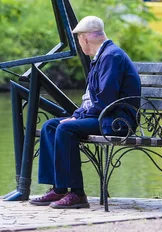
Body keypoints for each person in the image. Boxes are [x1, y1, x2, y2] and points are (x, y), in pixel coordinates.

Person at [29, 16, 141, 209]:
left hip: (117, 121)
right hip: (104, 116)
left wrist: (77, 118)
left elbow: (106, 100)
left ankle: (78, 194)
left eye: (79, 40)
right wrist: (77, 115)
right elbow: (93, 100)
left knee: (66, 129)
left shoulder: (111, 57)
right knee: (51, 126)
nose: (80, 44)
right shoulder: (101, 57)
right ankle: (59, 188)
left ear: (84, 39)